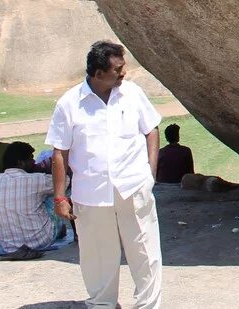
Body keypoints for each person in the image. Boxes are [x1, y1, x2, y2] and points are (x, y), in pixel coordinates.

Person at [46, 40, 163, 309]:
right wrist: (60, 197)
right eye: (118, 69)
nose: (124, 73)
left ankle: (148, 305)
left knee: (145, 251)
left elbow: (151, 129)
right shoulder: (69, 104)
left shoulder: (132, 94)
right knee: (98, 257)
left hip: (134, 187)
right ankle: (102, 305)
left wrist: (149, 173)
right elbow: (59, 154)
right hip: (91, 194)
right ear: (98, 74)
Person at [0, 141, 65, 259]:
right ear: (21, 163)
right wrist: (44, 170)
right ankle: (60, 229)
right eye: (31, 159)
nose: (34, 162)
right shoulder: (37, 179)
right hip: (42, 240)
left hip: (7, 245)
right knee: (52, 196)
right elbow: (64, 182)